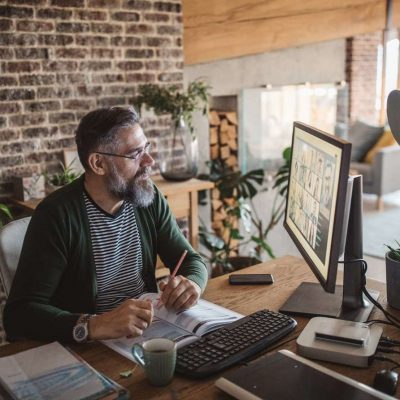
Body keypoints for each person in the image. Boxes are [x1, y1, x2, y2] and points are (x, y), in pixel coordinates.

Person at [3, 106, 208, 343]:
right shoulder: (56, 215)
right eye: (135, 154)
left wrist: (191, 283)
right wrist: (94, 325)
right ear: (98, 163)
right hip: (89, 347)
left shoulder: (147, 198)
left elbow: (191, 260)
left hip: (147, 333)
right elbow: (19, 316)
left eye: (147, 148)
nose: (149, 161)